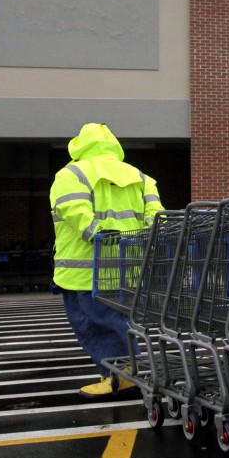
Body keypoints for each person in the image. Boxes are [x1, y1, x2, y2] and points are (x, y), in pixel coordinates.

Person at [50, 123, 163, 399]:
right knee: (118, 321)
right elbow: (157, 216)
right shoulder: (141, 176)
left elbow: (75, 211)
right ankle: (125, 372)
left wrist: (98, 234)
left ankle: (119, 376)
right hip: (129, 268)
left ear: (80, 145)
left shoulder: (71, 173)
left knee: (92, 324)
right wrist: (144, 237)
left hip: (84, 269)